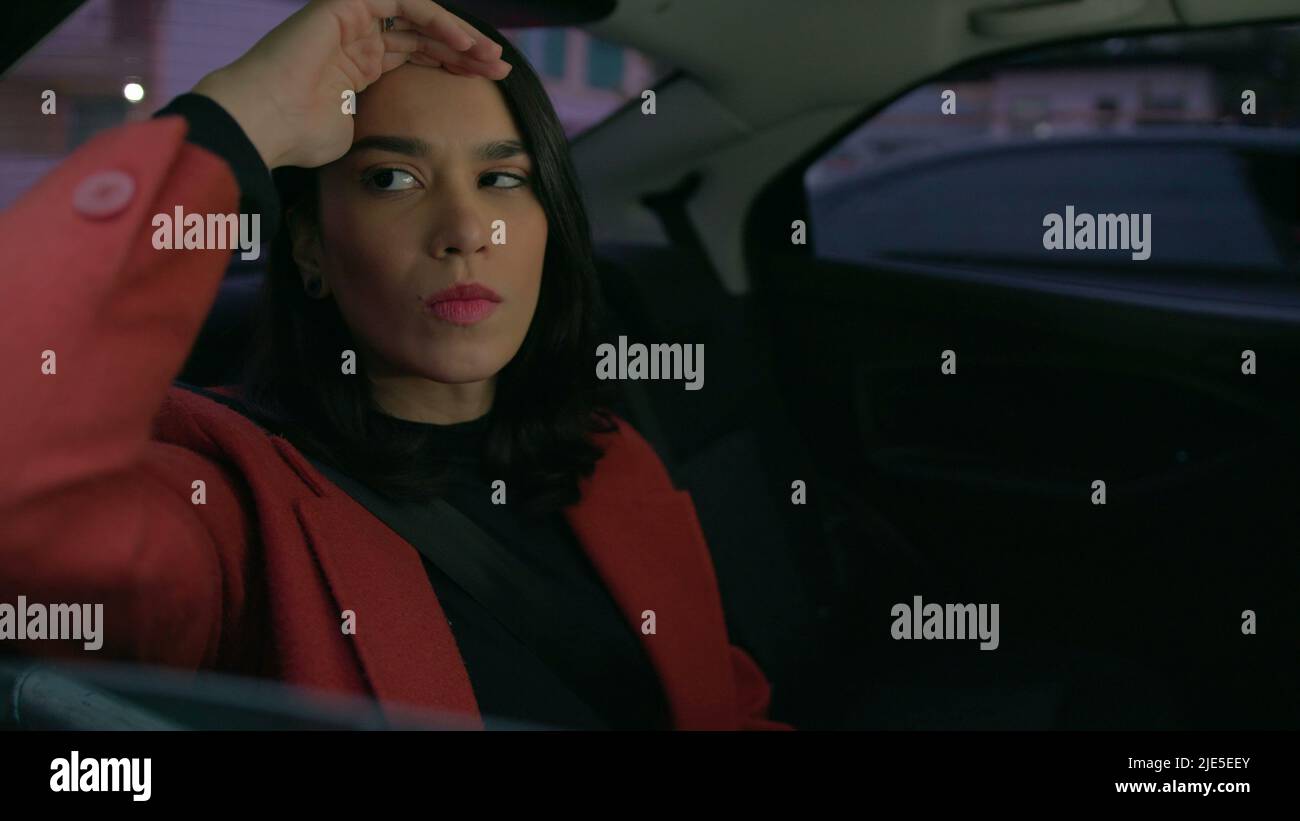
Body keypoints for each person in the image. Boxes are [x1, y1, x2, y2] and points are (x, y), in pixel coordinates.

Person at [0, 0, 790, 731]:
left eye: (502, 179)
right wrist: (243, 116)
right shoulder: (230, 508)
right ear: (310, 245)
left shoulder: (613, 459)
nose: (463, 230)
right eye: (391, 179)